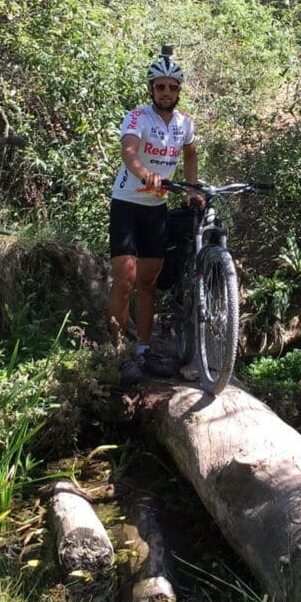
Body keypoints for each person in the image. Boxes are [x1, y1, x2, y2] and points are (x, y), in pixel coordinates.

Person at [108, 48, 203, 382]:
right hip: (127, 205)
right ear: (151, 89)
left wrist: (192, 188)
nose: (166, 92)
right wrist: (144, 173)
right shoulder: (137, 117)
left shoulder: (184, 124)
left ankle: (144, 350)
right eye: (160, 86)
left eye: (172, 87)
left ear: (178, 90)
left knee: (147, 284)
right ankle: (117, 351)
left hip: (156, 210)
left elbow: (190, 155)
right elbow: (129, 152)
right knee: (125, 281)